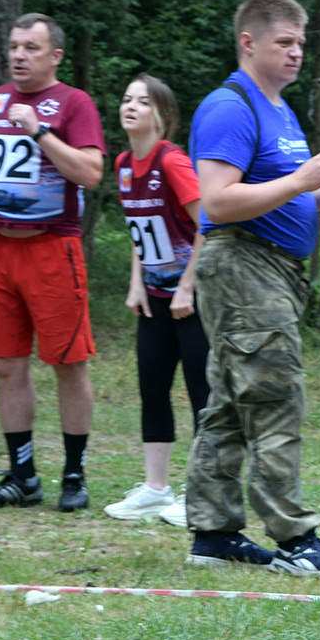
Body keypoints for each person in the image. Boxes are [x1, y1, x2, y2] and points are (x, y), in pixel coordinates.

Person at [183, 0, 320, 573]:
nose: (297, 52)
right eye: (284, 43)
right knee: (275, 399)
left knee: (230, 401)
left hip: (268, 267)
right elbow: (218, 201)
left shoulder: (278, 109)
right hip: (244, 266)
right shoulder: (230, 107)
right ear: (249, 43)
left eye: (300, 43)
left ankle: (215, 534)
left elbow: (284, 201)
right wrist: (300, 178)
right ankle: (293, 540)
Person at [0, 13, 105, 513]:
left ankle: (73, 474)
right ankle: (22, 475)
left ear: (54, 55)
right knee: (6, 366)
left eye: (31, 47)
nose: (18, 56)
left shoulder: (74, 103)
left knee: (68, 364)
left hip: (53, 248)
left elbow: (91, 173)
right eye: (14, 46)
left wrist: (40, 133)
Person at [102, 75, 209, 525]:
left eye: (142, 101)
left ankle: (203, 495)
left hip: (194, 297)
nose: (130, 106)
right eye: (126, 98)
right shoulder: (124, 162)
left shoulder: (173, 162)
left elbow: (208, 224)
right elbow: (138, 228)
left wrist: (187, 286)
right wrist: (136, 282)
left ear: (162, 115)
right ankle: (155, 490)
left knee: (202, 395)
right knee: (152, 388)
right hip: (154, 297)